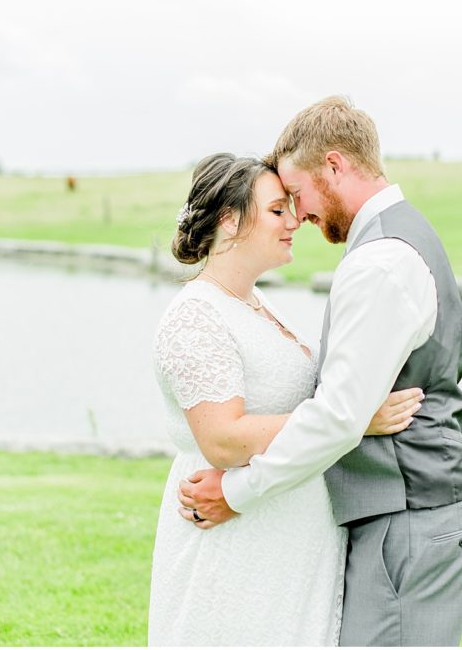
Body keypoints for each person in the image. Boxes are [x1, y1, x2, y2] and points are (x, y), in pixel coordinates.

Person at [178, 97, 462, 646]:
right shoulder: (398, 237)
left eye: (296, 195)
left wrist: (238, 492)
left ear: (335, 166)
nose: (299, 216)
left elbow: (339, 417)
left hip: (410, 515)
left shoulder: (378, 262)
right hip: (413, 511)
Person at [149, 152, 423, 646]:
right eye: (278, 210)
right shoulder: (196, 317)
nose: (295, 220)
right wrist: (353, 419)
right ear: (230, 221)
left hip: (285, 549)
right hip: (235, 553)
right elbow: (224, 441)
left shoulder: (256, 303)